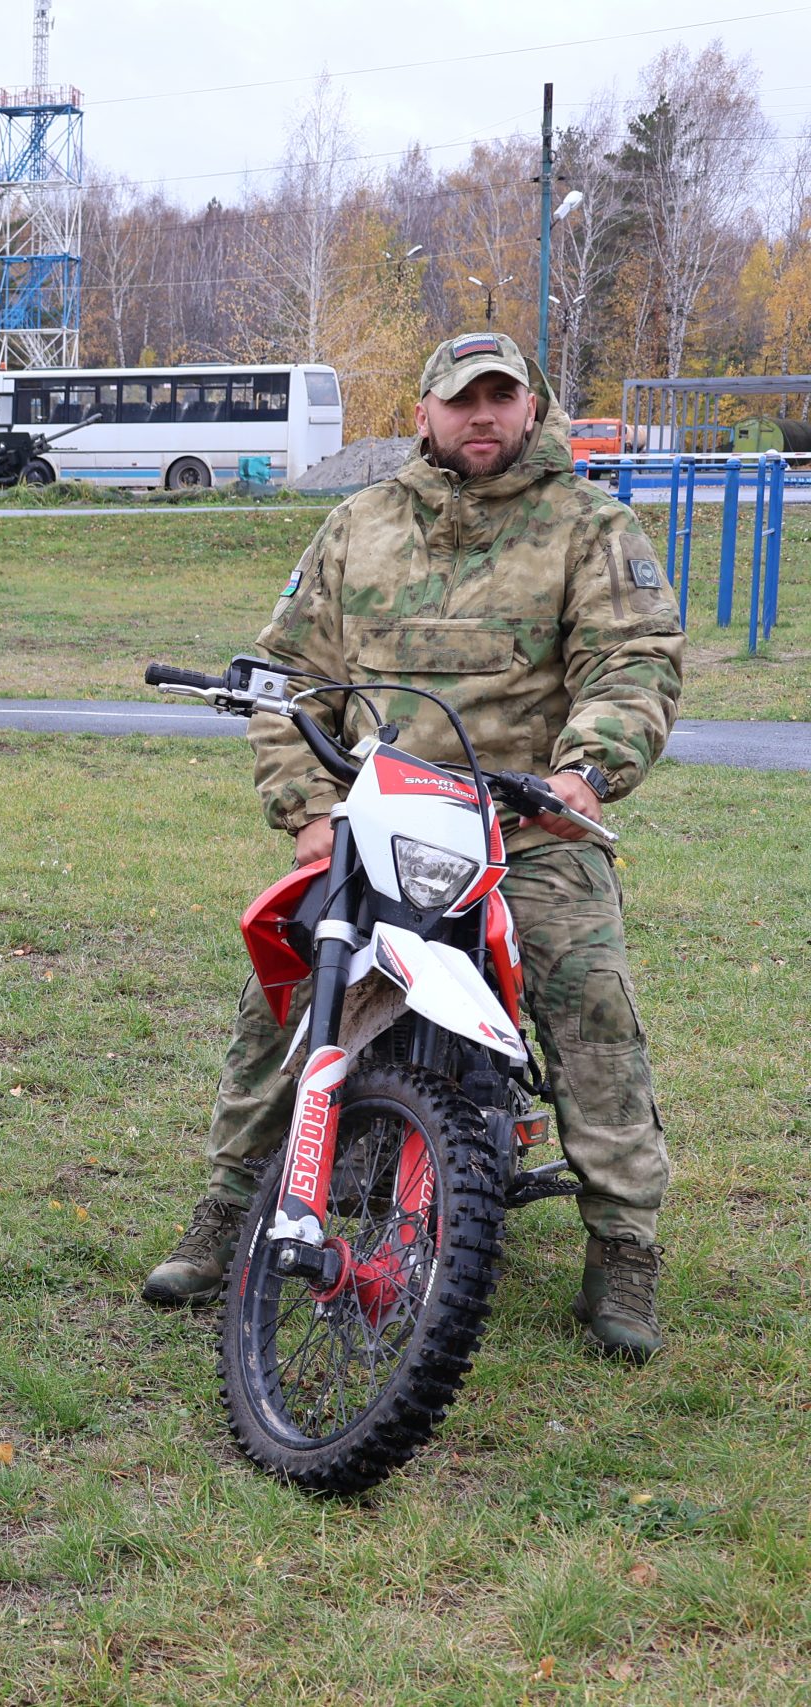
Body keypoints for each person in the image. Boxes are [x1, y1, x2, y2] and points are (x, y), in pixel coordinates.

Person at [140, 332, 684, 1362]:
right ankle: (229, 1205)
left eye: (499, 397)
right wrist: (308, 810)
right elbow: (283, 673)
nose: (480, 416)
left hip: (523, 823)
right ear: (425, 411)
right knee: (289, 980)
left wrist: (584, 773)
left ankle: (621, 1242)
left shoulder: (591, 526)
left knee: (587, 993)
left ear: (530, 407)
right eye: (459, 399)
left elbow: (635, 663)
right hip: (376, 814)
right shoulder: (360, 524)